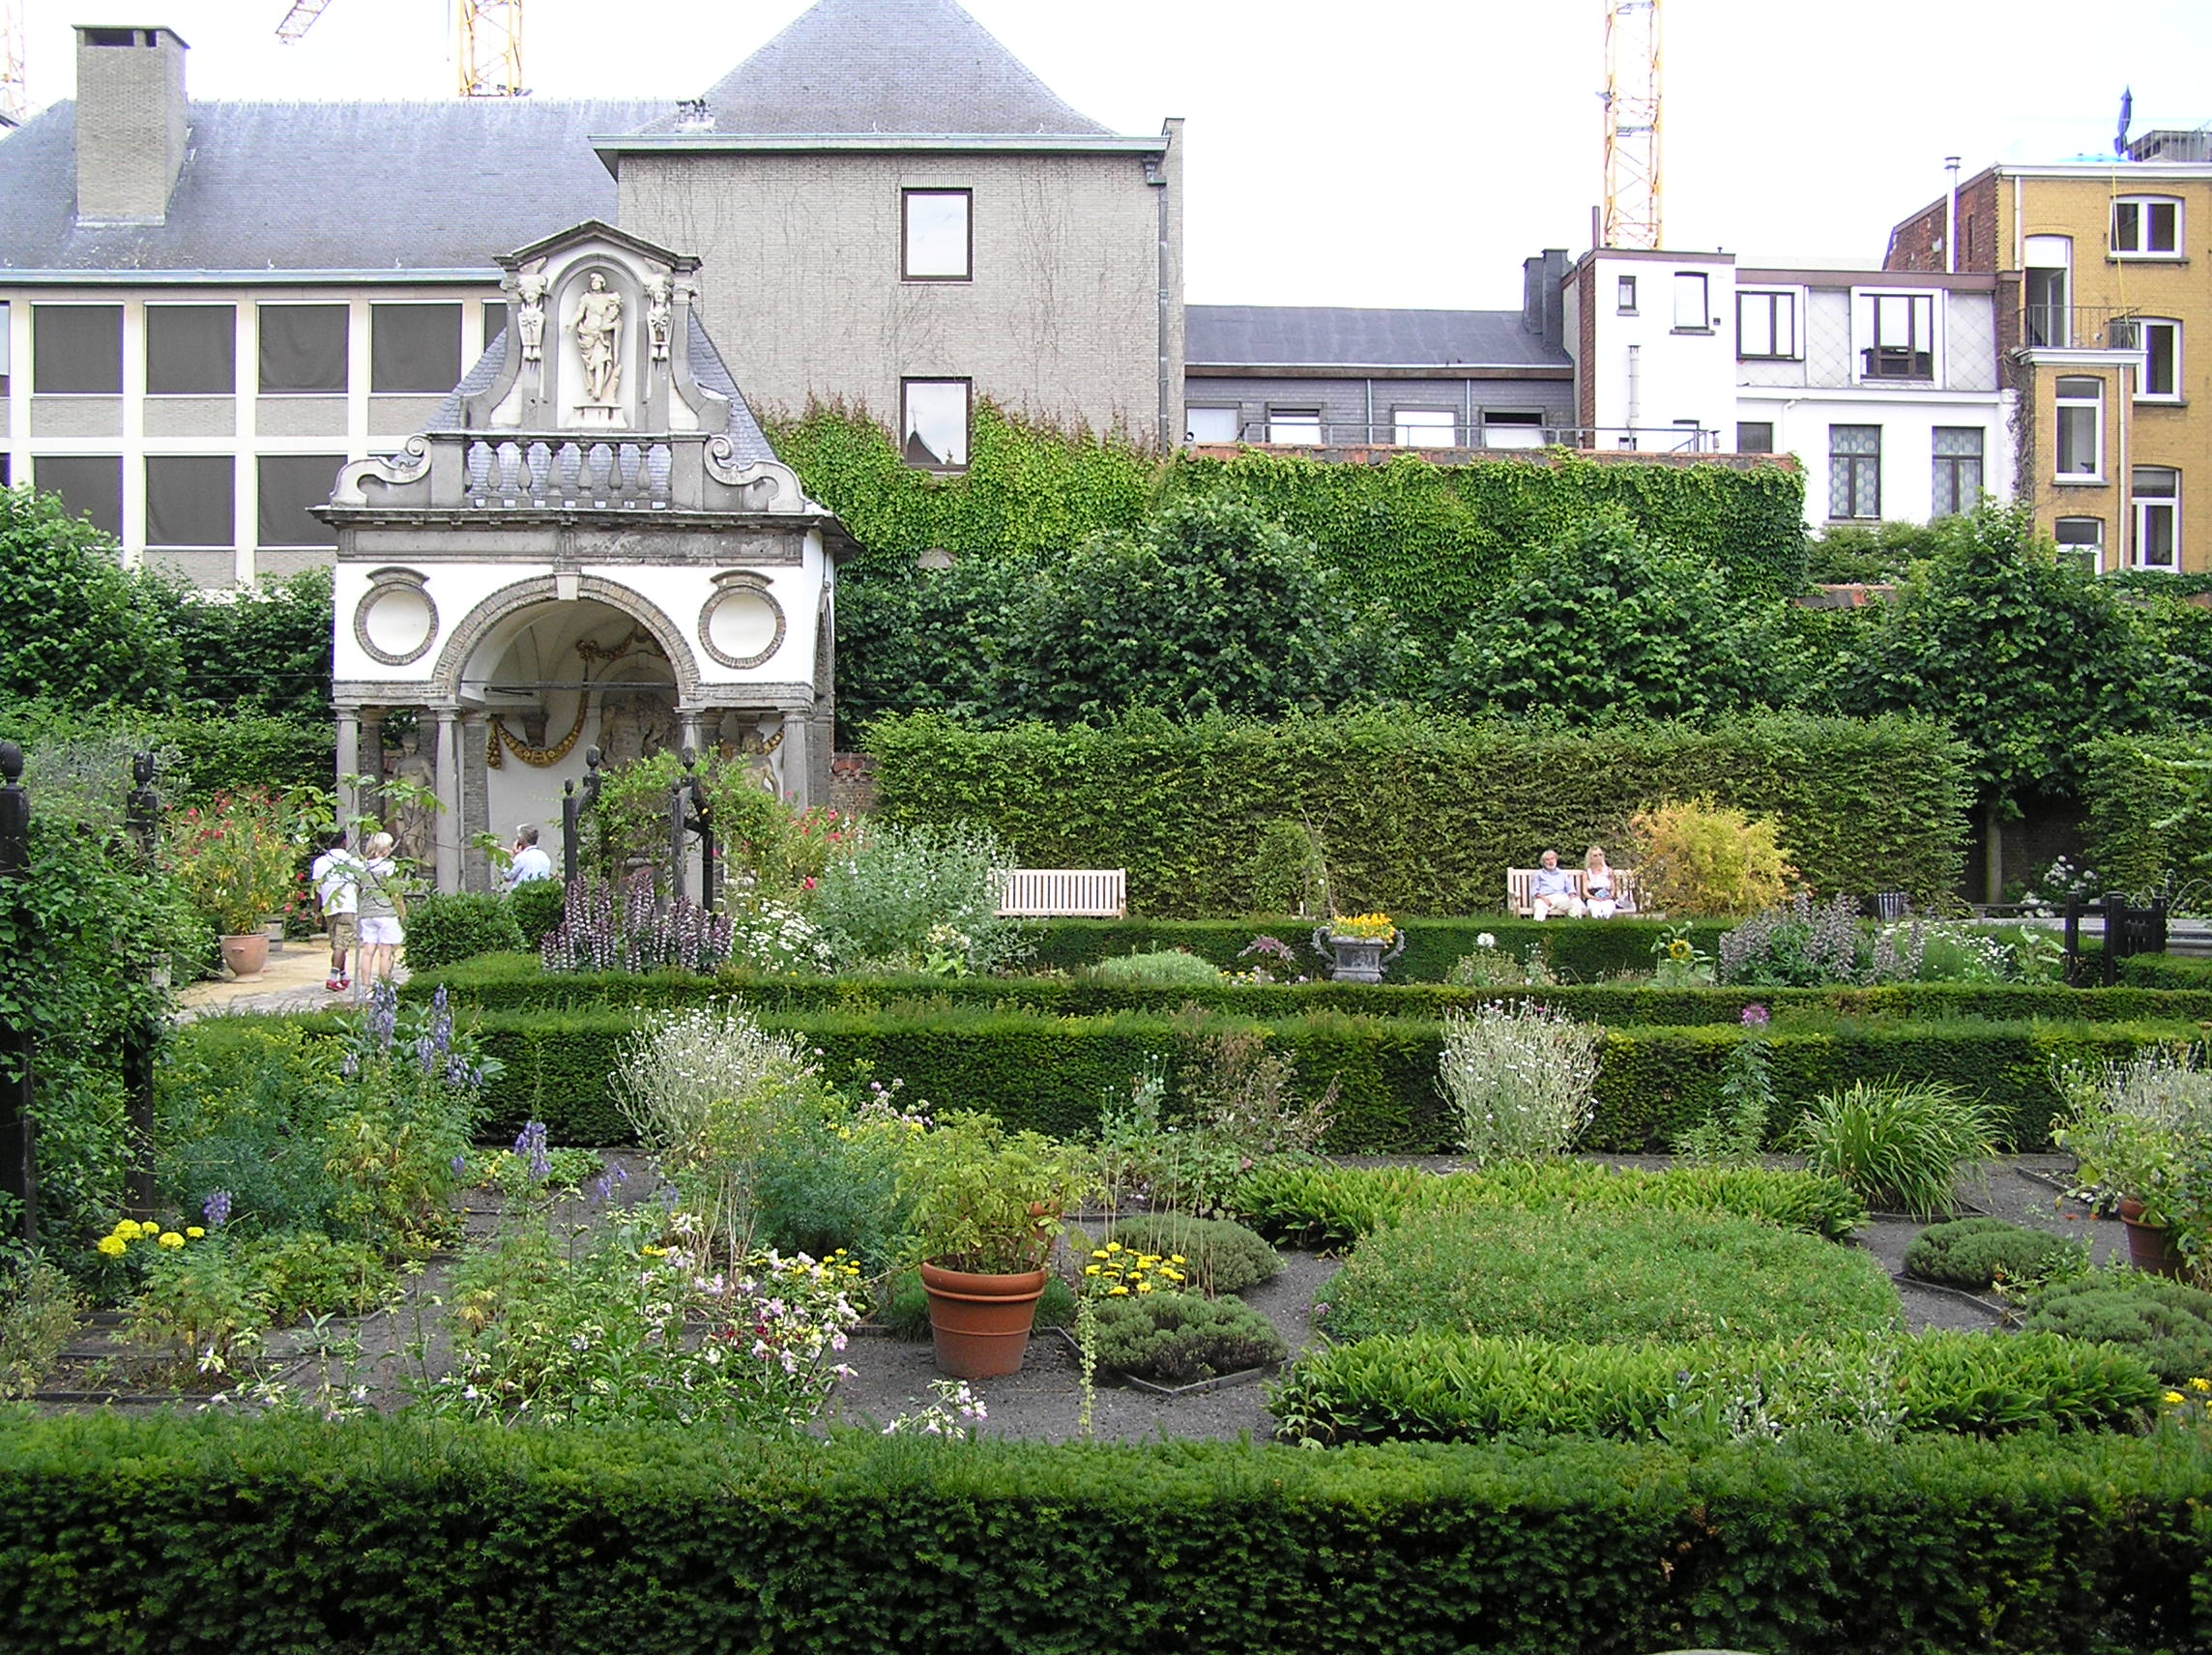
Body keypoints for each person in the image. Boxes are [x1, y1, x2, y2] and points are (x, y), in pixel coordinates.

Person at [355, 831, 406, 998]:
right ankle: (384, 986)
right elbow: (395, 892)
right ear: (384, 848)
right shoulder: (389, 866)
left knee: (368, 951)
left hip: (367, 912)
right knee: (386, 951)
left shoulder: (362, 866)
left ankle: (365, 987)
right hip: (384, 911)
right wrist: (402, 912)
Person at [309, 829, 361, 994]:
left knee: (337, 944)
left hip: (329, 907)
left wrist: (315, 912)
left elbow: (316, 889)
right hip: (347, 906)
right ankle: (332, 978)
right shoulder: (351, 861)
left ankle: (343, 975)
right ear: (344, 842)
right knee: (341, 943)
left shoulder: (320, 862)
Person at [1528, 849, 1586, 920]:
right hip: (1545, 898)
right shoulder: (1538, 874)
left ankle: (1573, 925)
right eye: (1547, 860)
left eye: (1552, 859)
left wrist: (1572, 895)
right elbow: (1534, 891)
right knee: (1539, 905)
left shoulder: (1562, 874)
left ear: (1556, 860)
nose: (1550, 862)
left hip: (1561, 898)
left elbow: (1570, 888)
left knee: (1576, 902)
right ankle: (1538, 926)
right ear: (1543, 862)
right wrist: (1544, 899)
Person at [504, 825, 554, 889]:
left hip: (522, 894)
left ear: (521, 840)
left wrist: (512, 858)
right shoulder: (544, 856)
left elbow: (507, 877)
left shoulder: (521, 857)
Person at [1583, 845, 1618, 919]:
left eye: (1600, 855)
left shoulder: (1608, 871)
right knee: (1596, 910)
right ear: (1590, 858)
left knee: (1608, 910)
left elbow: (1612, 889)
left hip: (1607, 898)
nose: (1598, 857)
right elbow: (1585, 892)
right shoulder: (1587, 872)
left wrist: (1609, 896)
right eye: (1595, 856)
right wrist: (1594, 898)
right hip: (1593, 898)